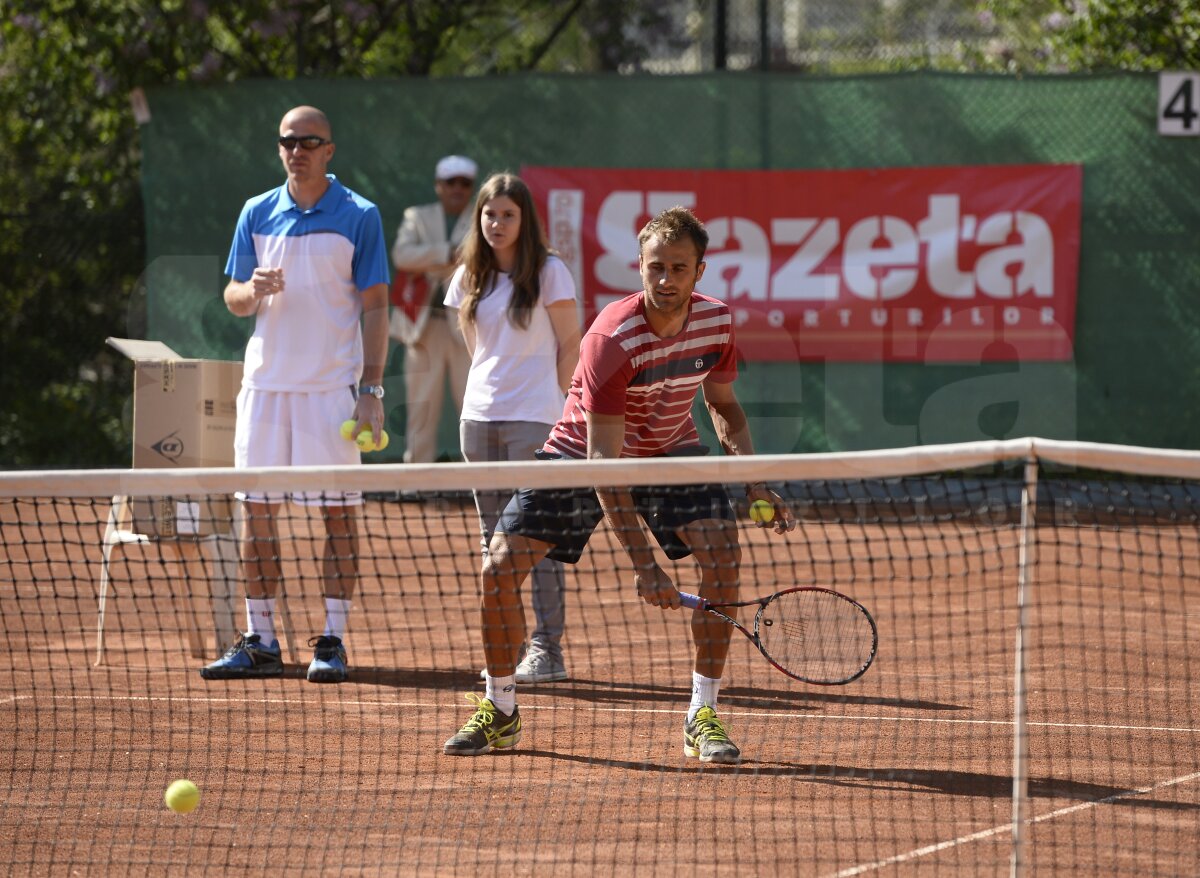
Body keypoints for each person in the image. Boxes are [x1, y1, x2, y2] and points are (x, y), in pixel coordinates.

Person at [442, 206, 795, 763]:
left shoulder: (717, 322)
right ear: (639, 267)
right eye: (655, 266)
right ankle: (500, 709)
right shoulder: (611, 336)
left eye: (679, 268)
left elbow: (723, 405)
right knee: (498, 569)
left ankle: (702, 715)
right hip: (581, 452)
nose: (665, 279)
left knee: (724, 555)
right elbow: (605, 466)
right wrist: (643, 565)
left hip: (670, 450)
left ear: (699, 272)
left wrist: (753, 482)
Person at [201, 105, 390, 685]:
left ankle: (331, 640)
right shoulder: (256, 212)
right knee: (256, 516)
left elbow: (377, 305)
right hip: (264, 389)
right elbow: (232, 297)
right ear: (280, 148)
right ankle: (261, 639)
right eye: (289, 141)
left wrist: (372, 388)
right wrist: (249, 289)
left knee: (338, 517)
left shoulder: (360, 214)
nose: (298, 149)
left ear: (329, 149)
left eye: (310, 140)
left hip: (331, 392)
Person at [443, 173, 581, 685]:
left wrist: (566, 410)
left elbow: (572, 343)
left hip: (536, 419)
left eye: (507, 214)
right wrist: (492, 388)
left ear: (525, 221)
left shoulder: (549, 271)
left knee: (536, 538)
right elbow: (475, 345)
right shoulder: (468, 276)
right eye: (489, 214)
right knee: (492, 541)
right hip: (477, 422)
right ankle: (509, 646)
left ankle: (548, 650)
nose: (496, 223)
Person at [389, 155, 477, 466]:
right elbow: (402, 255)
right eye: (451, 182)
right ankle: (416, 485)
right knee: (421, 410)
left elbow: (480, 259)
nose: (457, 188)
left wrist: (429, 262)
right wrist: (446, 254)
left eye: (464, 183)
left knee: (474, 409)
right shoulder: (417, 216)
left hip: (467, 328)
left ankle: (482, 484)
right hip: (423, 327)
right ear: (439, 186)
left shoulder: (481, 217)